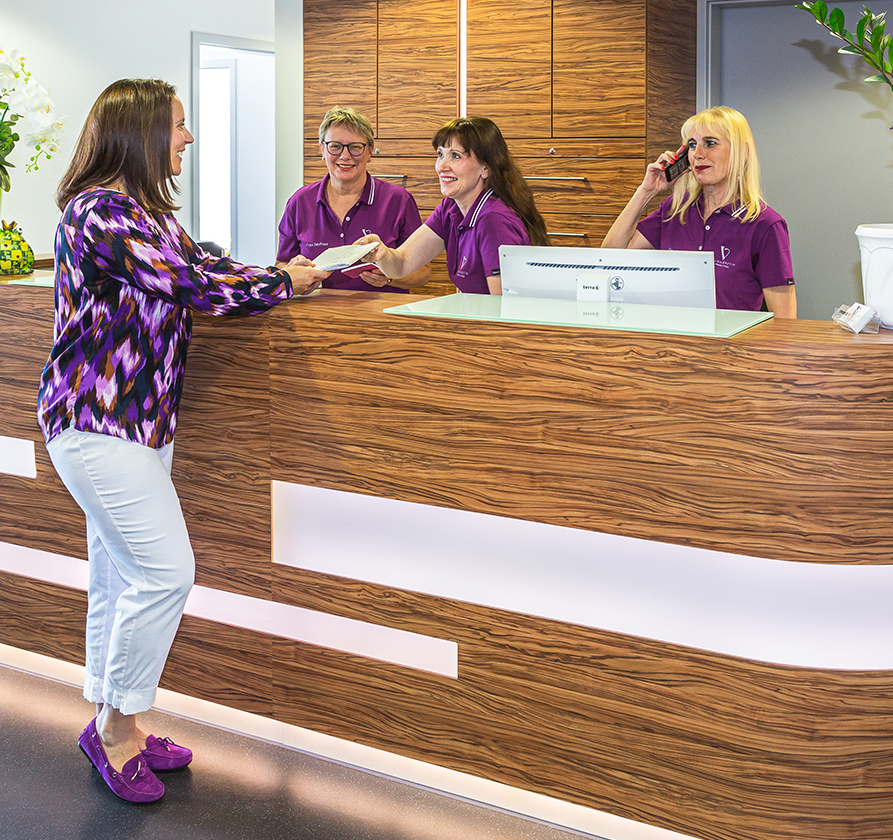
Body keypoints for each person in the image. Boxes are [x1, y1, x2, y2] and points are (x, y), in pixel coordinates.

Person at [36, 78, 326, 804]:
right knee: (166, 574)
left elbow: (209, 266)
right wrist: (284, 283)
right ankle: (115, 730)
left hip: (137, 426)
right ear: (139, 134)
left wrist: (280, 275)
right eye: (177, 125)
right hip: (97, 423)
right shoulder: (98, 214)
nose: (188, 138)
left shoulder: (149, 215)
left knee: (118, 576)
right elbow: (191, 283)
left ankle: (116, 721)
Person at [602, 106, 796, 317]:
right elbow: (611, 258)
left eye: (710, 143)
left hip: (731, 339)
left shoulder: (765, 225)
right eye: (693, 145)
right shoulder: (675, 209)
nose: (698, 154)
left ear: (743, 152)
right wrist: (646, 192)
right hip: (670, 335)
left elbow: (784, 320)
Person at [362, 116, 548, 294]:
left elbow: (502, 306)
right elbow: (402, 263)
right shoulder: (450, 208)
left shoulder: (493, 220)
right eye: (440, 154)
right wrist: (382, 253)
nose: (442, 166)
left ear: (485, 168)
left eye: (455, 156)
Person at [275, 106, 429, 291]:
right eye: (335, 146)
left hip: (385, 308)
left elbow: (423, 273)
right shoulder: (299, 202)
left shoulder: (399, 201)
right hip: (317, 308)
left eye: (355, 147)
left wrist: (390, 277)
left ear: (370, 151)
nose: (345, 156)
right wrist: (293, 272)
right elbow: (281, 264)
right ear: (322, 149)